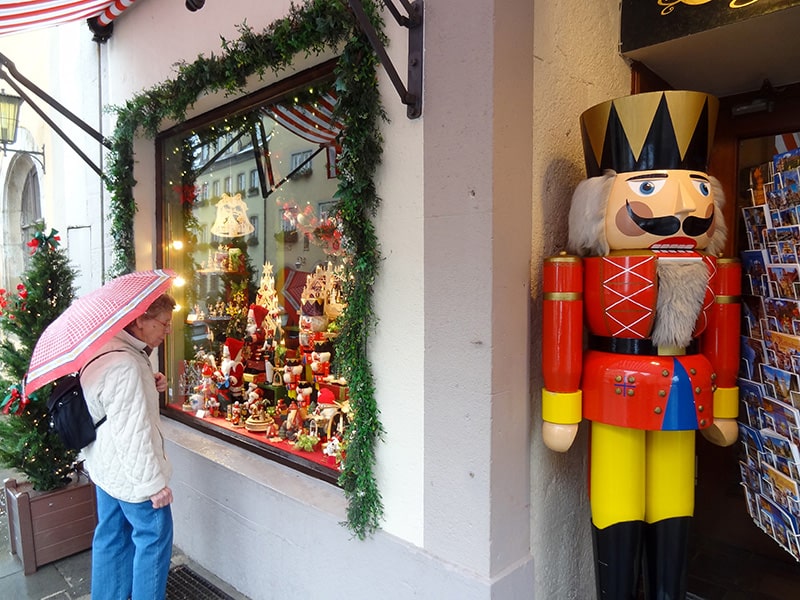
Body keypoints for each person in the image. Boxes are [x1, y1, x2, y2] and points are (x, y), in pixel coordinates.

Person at [542, 91, 740, 599]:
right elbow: (562, 331)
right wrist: (560, 406)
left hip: (684, 391)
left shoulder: (713, 270)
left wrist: (723, 404)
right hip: (615, 393)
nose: (679, 209)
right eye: (649, 186)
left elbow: (721, 333)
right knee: (619, 499)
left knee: (674, 501)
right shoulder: (577, 269)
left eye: (697, 187)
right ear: (596, 203)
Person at [81, 293, 177, 600]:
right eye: (164, 323)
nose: (167, 331)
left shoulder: (107, 347)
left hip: (106, 467)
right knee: (154, 538)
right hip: (132, 475)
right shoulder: (126, 365)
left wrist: (149, 380)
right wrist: (154, 486)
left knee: (111, 537)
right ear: (140, 321)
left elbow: (109, 402)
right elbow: (132, 432)